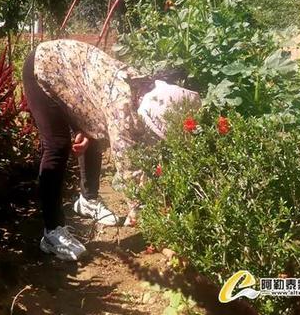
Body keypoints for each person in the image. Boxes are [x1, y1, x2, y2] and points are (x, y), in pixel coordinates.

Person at [22, 39, 200, 261]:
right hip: (44, 67)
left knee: (93, 133)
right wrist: (155, 223)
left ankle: (87, 201)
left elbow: (94, 103)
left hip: (76, 77)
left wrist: (86, 129)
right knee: (57, 145)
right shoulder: (123, 112)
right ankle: (52, 232)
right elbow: (131, 173)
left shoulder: (150, 91)